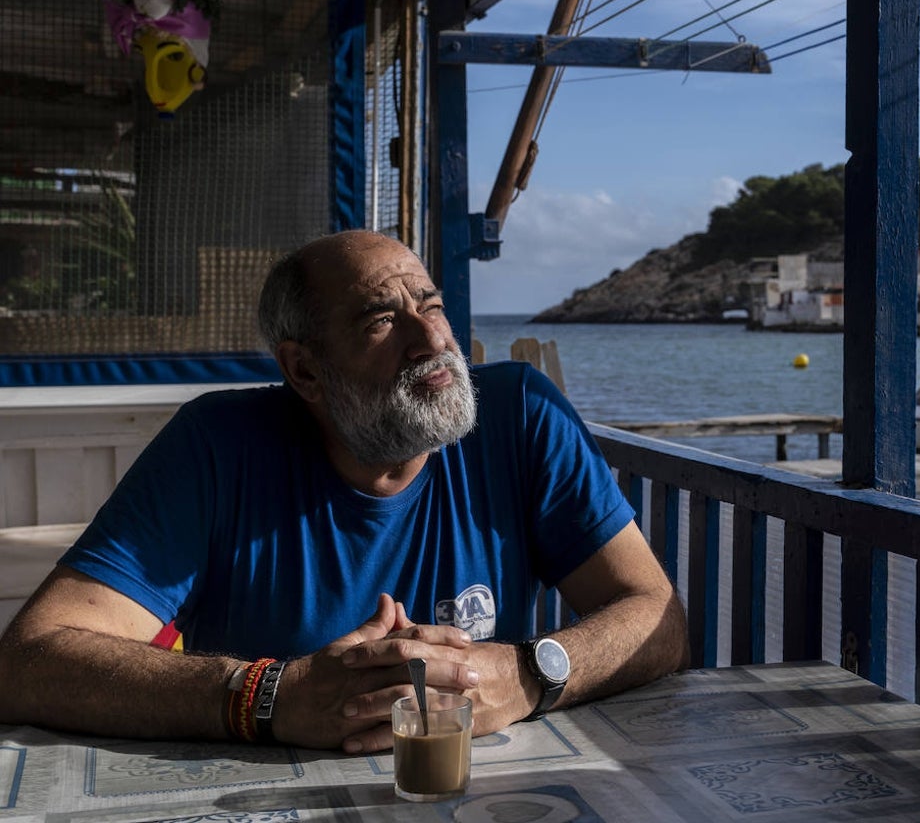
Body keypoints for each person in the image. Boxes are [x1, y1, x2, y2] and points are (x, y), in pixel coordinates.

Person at [0, 230, 688, 753]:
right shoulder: (217, 445)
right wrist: (269, 695)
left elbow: (656, 619)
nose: (432, 341)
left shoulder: (521, 417)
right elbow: (29, 661)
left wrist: (528, 674)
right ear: (305, 371)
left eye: (432, 305)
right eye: (381, 321)